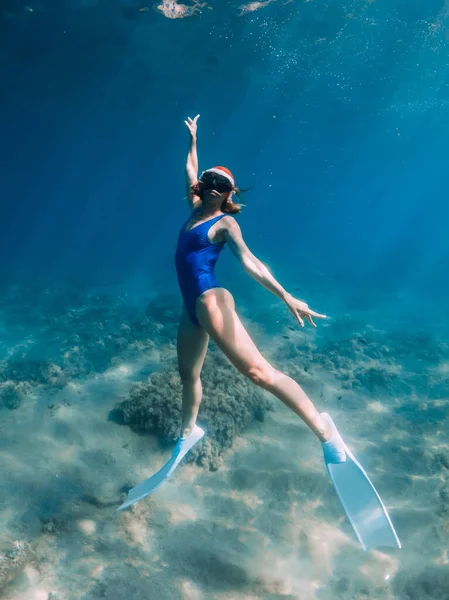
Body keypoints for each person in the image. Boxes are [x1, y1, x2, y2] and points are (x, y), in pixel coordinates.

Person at [175, 114, 345, 458]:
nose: (212, 186)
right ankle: (188, 431)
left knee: (258, 372)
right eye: (210, 179)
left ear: (228, 195)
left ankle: (324, 431)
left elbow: (251, 262)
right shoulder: (194, 207)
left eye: (221, 185)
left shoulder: (225, 224)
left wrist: (286, 296)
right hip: (190, 307)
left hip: (210, 301)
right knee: (188, 375)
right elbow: (190, 169)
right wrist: (193, 139)